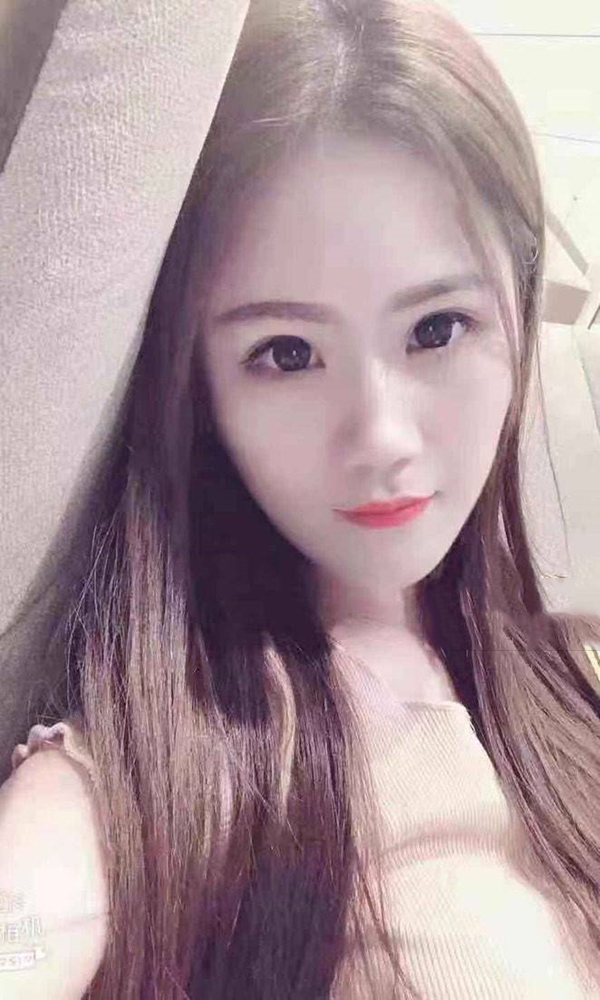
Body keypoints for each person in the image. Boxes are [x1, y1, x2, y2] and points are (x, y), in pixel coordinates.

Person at [2, 0, 600, 997]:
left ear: (518, 311)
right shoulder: (191, 757)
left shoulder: (569, 674)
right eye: (285, 353)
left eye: (437, 329)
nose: (382, 436)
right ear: (198, 386)